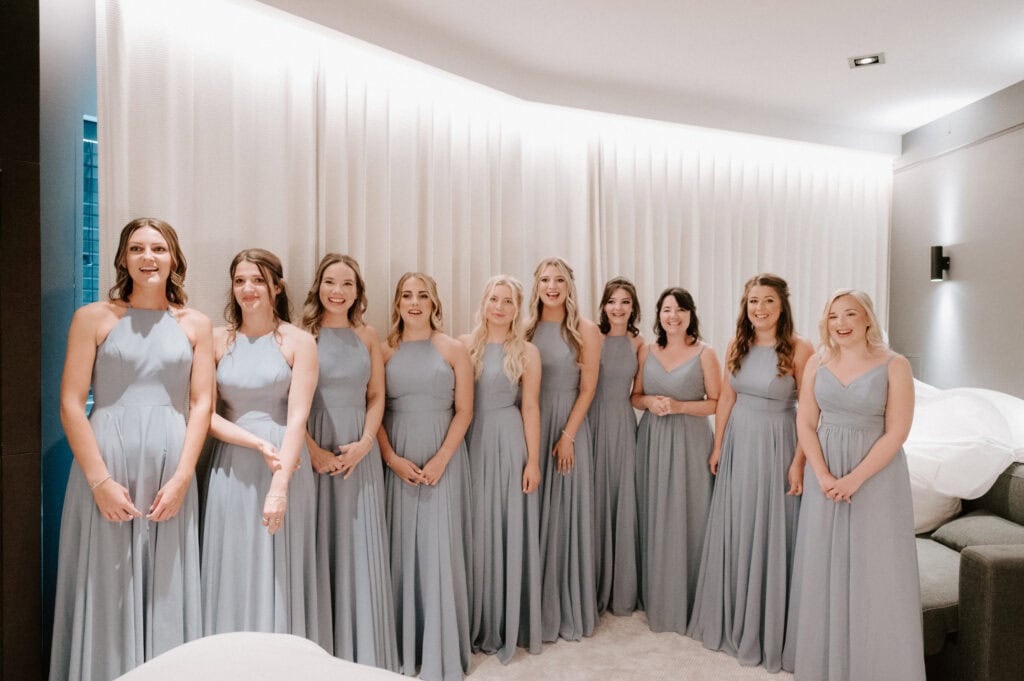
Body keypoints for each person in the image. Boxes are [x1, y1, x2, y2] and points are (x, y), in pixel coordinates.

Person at [51, 218, 214, 681]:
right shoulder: (93, 318)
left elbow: (202, 403)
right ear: (123, 257)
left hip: (171, 463)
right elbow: (69, 402)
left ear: (174, 258)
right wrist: (99, 481)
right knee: (107, 577)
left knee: (167, 578)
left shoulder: (196, 324)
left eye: (159, 249)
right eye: (138, 249)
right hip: (108, 460)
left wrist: (183, 477)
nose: (149, 258)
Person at [782, 290, 925, 680]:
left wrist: (854, 479)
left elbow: (897, 432)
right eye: (833, 317)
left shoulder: (894, 365)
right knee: (822, 565)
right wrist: (824, 475)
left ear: (867, 319)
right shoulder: (816, 362)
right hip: (824, 475)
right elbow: (806, 422)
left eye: (850, 314)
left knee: (876, 570)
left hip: (876, 478)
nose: (841, 323)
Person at [687, 273, 813, 670]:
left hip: (778, 443)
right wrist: (719, 444)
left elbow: (809, 412)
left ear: (782, 306)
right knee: (738, 525)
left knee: (771, 527)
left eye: (768, 302)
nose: (759, 309)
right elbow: (727, 397)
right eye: (753, 302)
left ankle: (769, 625)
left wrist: (799, 461)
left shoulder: (799, 348)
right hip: (740, 440)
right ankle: (733, 616)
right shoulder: (735, 344)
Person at [201, 249, 324, 644]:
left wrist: (281, 484)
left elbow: (298, 418)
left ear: (276, 286)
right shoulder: (218, 340)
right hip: (231, 462)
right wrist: (252, 440)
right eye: (239, 281)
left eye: (257, 280)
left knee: (279, 566)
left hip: (283, 461)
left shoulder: (299, 341)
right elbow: (203, 412)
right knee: (232, 562)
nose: (248, 289)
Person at [302, 254, 398, 670]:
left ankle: (362, 651)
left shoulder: (367, 335)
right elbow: (287, 403)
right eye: (329, 282)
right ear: (318, 286)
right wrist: (311, 449)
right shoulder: (301, 334)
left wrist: (363, 444)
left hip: (361, 449)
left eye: (346, 284)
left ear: (358, 292)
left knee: (358, 544)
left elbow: (376, 396)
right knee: (319, 540)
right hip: (314, 446)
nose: (336, 291)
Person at [378, 272, 473, 681]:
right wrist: (390, 457)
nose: (414, 302)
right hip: (398, 454)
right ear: (397, 302)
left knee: (439, 551)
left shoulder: (454, 349)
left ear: (435, 302)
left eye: (422, 295)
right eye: (406, 295)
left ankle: (440, 649)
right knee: (402, 549)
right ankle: (404, 645)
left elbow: (465, 411)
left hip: (444, 456)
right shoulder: (383, 351)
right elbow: (374, 412)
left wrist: (442, 459)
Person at [459, 275, 543, 662]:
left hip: (509, 442)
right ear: (484, 302)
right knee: (475, 527)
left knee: (507, 526)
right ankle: (476, 619)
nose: (499, 306)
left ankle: (509, 621)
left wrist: (533, 460)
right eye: (494, 298)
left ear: (517, 308)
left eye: (507, 301)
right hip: (472, 439)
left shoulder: (526, 351)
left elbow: (530, 407)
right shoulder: (464, 346)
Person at [632, 287, 721, 635]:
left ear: (690, 315)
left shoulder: (705, 353)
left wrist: (681, 406)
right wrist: (650, 402)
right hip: (652, 439)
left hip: (690, 441)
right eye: (667, 309)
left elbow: (716, 402)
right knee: (654, 513)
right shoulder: (647, 351)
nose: (673, 316)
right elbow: (634, 396)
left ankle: (689, 597)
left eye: (680, 310)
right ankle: (655, 594)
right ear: (659, 315)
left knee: (690, 514)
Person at [526, 257, 601, 642]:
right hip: (529, 424)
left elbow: (588, 387)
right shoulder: (525, 328)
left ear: (570, 286)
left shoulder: (585, 330)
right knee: (532, 513)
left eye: (558, 280)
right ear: (535, 285)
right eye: (544, 280)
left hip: (569, 425)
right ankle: (531, 607)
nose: (551, 286)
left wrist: (569, 435)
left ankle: (564, 605)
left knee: (566, 516)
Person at [589, 277, 643, 616]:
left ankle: (620, 587)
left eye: (625, 302)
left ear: (633, 307)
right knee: (593, 498)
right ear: (604, 306)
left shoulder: (640, 344)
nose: (618, 308)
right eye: (612, 301)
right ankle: (591, 582)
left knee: (621, 498)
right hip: (592, 420)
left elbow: (638, 393)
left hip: (623, 422)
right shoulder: (592, 337)